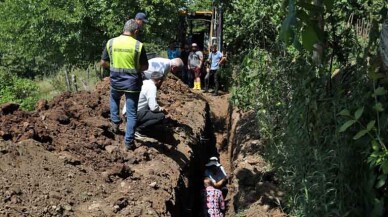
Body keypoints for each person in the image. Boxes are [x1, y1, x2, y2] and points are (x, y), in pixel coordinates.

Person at [101, 19, 148, 151]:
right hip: (132, 83)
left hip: (115, 80)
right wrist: (134, 69)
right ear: (136, 31)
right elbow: (145, 66)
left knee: (114, 98)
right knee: (132, 113)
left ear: (124, 29)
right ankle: (128, 142)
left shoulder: (111, 42)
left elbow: (103, 62)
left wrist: (114, 68)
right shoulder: (138, 45)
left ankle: (115, 123)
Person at [135, 71, 167, 139]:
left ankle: (135, 125)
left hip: (128, 111)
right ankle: (138, 130)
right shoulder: (152, 87)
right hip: (134, 114)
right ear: (159, 81)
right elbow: (153, 107)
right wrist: (161, 109)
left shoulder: (145, 82)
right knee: (160, 116)